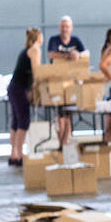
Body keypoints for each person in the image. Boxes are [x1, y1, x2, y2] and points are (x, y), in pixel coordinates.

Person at [46, 16, 86, 147]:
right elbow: (51, 55)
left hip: (72, 82)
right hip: (57, 82)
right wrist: (69, 56)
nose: (65, 29)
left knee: (68, 114)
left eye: (67, 26)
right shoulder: (54, 40)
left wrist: (78, 55)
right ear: (60, 28)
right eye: (62, 26)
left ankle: (66, 142)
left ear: (71, 28)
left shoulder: (76, 40)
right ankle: (60, 143)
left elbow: (85, 54)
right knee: (60, 115)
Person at [6, 28, 41, 166]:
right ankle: (19, 154)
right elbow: (37, 71)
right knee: (23, 121)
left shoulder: (26, 49)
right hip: (20, 89)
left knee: (16, 122)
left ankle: (13, 154)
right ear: (38, 37)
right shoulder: (35, 50)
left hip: (14, 87)